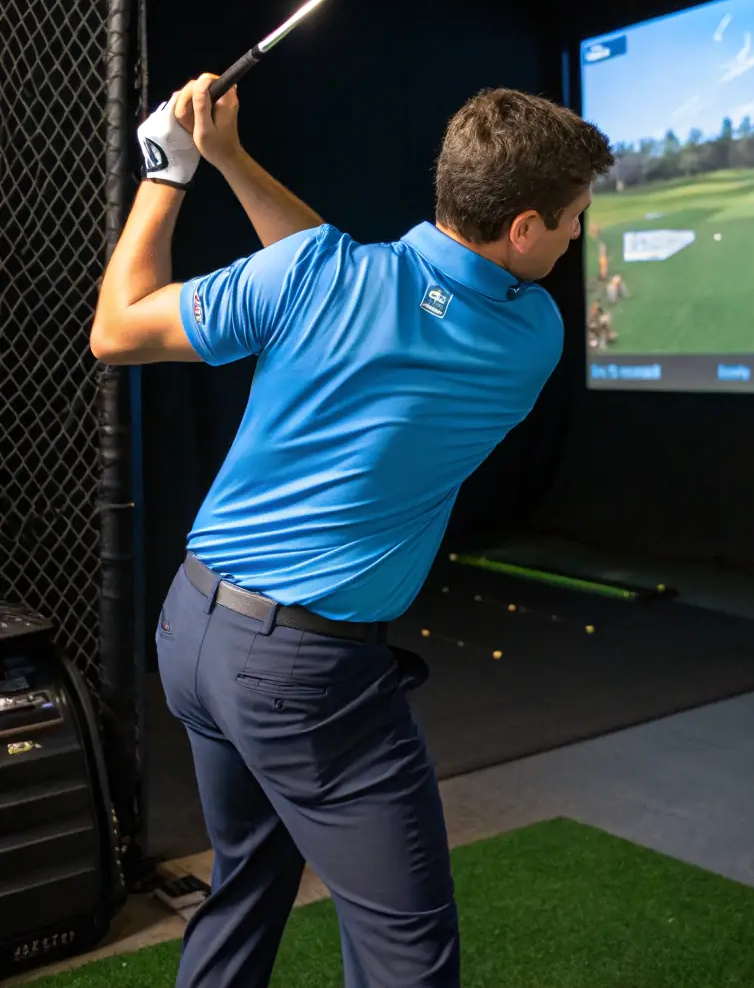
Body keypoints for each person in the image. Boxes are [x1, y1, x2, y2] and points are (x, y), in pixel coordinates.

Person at [90, 75, 612, 988]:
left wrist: (172, 172)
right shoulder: (531, 334)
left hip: (191, 630)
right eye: (571, 218)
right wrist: (225, 161)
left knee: (246, 883)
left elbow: (118, 327)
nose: (577, 236)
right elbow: (347, 276)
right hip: (306, 680)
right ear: (522, 228)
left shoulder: (316, 274)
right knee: (408, 957)